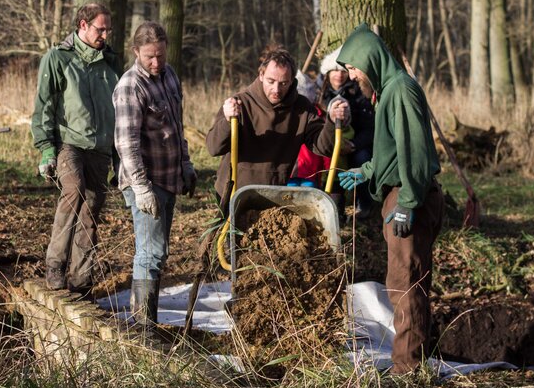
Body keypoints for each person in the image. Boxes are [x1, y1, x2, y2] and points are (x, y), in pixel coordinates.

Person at [336, 23, 445, 375]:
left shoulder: (402, 91)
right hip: (399, 193)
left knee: (404, 285)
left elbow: (413, 152)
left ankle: (407, 371)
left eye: (353, 67)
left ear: (369, 59)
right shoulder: (386, 92)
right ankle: (414, 362)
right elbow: (392, 151)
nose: (352, 76)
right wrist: (367, 171)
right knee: (406, 282)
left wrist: (408, 203)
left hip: (408, 197)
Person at [113, 21, 197, 327]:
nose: (156, 62)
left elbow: (177, 126)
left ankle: (146, 319)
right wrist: (141, 188)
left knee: (157, 253)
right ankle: (142, 326)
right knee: (150, 254)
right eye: (150, 56)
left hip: (169, 174)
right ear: (136, 51)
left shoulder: (170, 75)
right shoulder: (130, 86)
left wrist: (185, 164)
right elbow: (126, 143)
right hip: (146, 180)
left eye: (161, 54)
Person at [31, 2, 120, 292]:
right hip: (68, 143)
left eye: (108, 29)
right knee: (74, 190)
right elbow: (44, 105)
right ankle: (55, 265)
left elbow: (119, 111)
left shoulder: (111, 63)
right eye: (100, 29)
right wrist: (46, 149)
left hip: (101, 147)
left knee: (92, 208)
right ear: (83, 25)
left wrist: (119, 158)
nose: (105, 35)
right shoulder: (58, 59)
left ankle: (82, 279)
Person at [205, 45, 349, 200]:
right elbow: (214, 148)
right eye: (271, 81)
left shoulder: (302, 108)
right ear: (261, 75)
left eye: (283, 83)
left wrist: (331, 122)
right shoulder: (240, 103)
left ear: (292, 80)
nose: (276, 89)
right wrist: (227, 121)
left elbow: (323, 147)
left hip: (276, 193)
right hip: (236, 191)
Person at [319, 46, 375, 219]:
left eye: (343, 70)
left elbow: (370, 127)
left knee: (361, 159)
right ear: (327, 73)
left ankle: (364, 204)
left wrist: (354, 144)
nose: (339, 74)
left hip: (356, 143)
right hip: (330, 143)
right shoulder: (320, 94)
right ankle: (334, 208)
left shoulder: (360, 92)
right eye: (334, 70)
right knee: (328, 166)